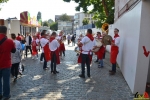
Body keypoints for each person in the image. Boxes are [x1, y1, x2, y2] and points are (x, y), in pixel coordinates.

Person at [0, 26, 16, 100]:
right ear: (6, 31)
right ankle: (6, 95)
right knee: (6, 80)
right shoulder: (10, 41)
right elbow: (13, 50)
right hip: (6, 63)